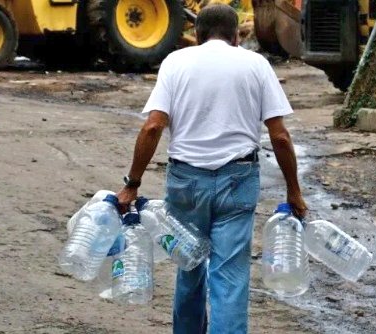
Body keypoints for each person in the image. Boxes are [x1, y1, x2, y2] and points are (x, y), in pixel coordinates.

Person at [116, 4, 307, 333]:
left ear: (196, 35)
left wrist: (132, 183)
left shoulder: (176, 62)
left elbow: (152, 127)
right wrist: (294, 191)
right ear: (236, 36)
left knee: (189, 268)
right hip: (238, 180)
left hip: (186, 183)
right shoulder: (255, 64)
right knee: (230, 277)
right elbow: (280, 136)